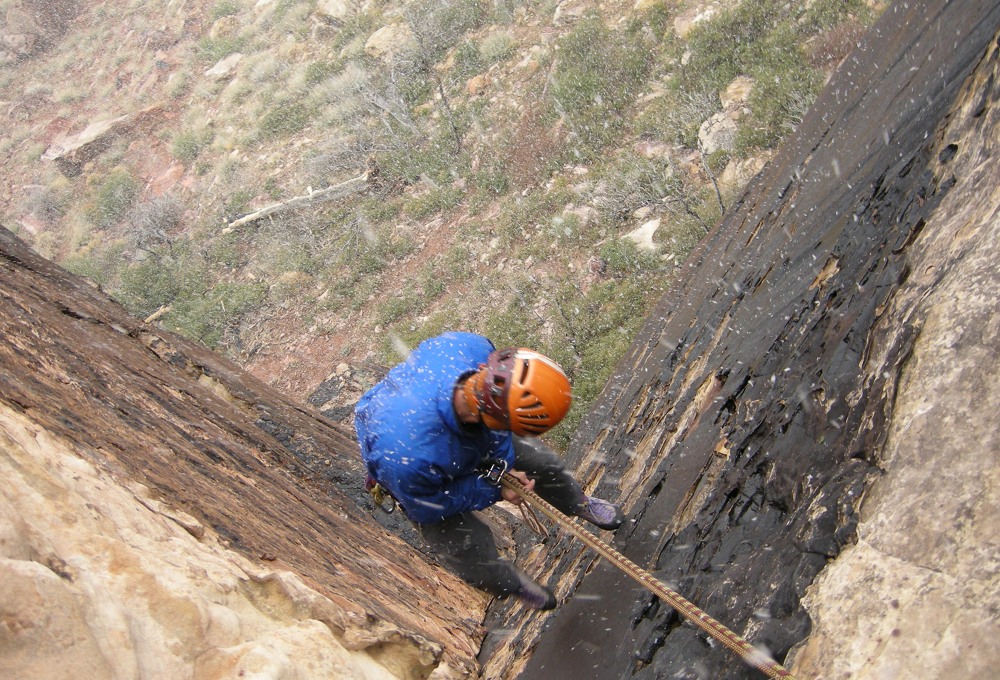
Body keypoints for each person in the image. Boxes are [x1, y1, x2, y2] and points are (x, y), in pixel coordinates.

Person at [354, 331, 623, 610]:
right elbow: (431, 505)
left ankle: (578, 503)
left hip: (454, 427)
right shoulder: (406, 459)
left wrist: (503, 462)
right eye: (508, 427)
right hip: (417, 458)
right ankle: (511, 584)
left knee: (542, 464)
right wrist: (495, 488)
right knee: (468, 552)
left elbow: (499, 430)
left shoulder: (469, 348)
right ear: (491, 414)